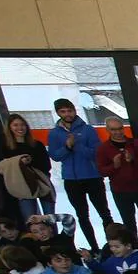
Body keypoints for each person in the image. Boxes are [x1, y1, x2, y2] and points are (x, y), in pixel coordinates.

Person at [47, 98, 111, 249]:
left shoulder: (88, 130)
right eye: (63, 111)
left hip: (92, 177)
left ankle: (112, 245)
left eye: (70, 110)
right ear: (58, 113)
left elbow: (96, 152)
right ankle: (94, 248)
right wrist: (67, 147)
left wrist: (77, 145)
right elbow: (55, 156)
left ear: (74, 110)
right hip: (71, 179)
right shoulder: (54, 133)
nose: (67, 114)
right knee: (83, 216)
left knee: (104, 213)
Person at [96, 118, 138, 231]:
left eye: (120, 128)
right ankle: (133, 245)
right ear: (107, 130)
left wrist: (133, 160)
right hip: (120, 191)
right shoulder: (104, 148)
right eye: (113, 129)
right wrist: (114, 166)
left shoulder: (136, 144)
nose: (118, 132)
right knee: (128, 221)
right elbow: (101, 171)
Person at [0, 113, 55, 219]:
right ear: (9, 128)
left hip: (42, 182)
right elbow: (3, 168)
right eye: (16, 125)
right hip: (22, 186)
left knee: (49, 218)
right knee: (30, 219)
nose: (20, 128)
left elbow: (46, 165)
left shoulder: (37, 144)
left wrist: (30, 162)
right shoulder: (6, 148)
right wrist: (19, 162)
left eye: (22, 124)